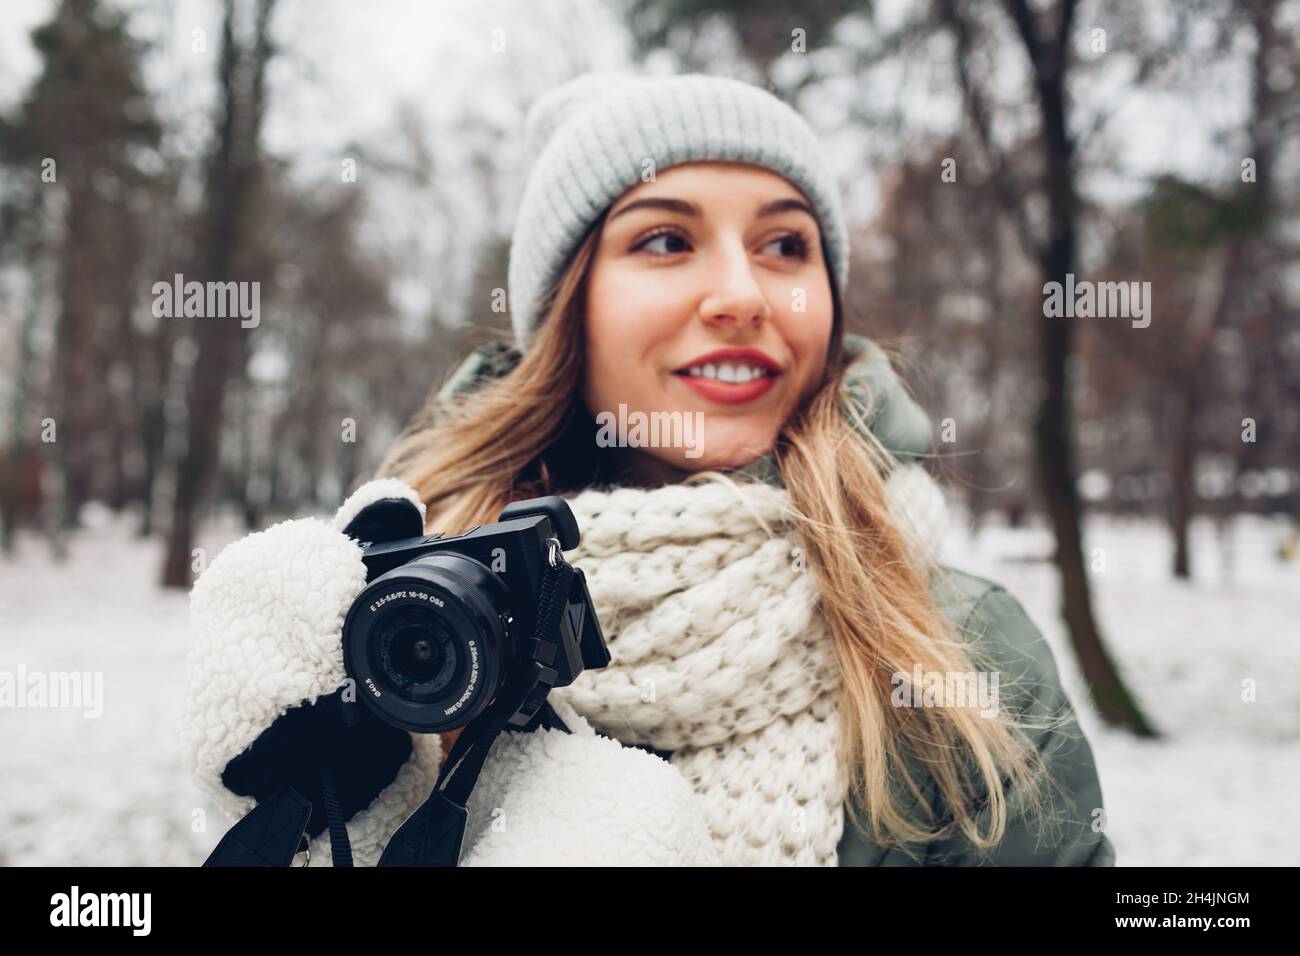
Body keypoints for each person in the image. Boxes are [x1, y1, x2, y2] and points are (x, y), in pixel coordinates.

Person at [182, 71, 1115, 867]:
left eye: (786, 245)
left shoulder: (952, 650)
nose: (743, 295)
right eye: (666, 240)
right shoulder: (403, 618)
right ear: (569, 313)